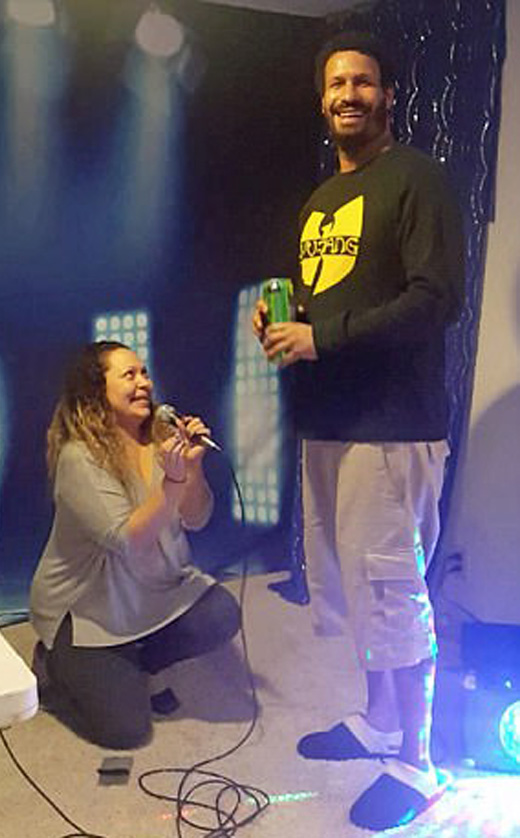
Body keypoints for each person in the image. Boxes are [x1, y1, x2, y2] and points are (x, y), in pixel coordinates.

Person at [253, 31, 464, 831]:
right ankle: (377, 720)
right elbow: (329, 303)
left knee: (392, 594)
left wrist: (324, 337)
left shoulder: (418, 179)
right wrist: (286, 324)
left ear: (388, 95)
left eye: (364, 82)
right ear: (323, 99)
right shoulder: (320, 203)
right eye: (337, 83)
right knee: (352, 589)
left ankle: (418, 762)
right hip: (331, 423)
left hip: (391, 427)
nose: (350, 94)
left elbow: (435, 299)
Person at [29, 340, 240, 749]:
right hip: (89, 609)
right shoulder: (79, 457)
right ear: (96, 389)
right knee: (126, 731)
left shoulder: (163, 441)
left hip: (151, 591)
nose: (144, 383)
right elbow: (127, 540)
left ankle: (141, 660)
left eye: (144, 373)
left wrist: (192, 469)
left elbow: (197, 518)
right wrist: (172, 482)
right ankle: (54, 663)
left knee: (220, 614)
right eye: (129, 375)